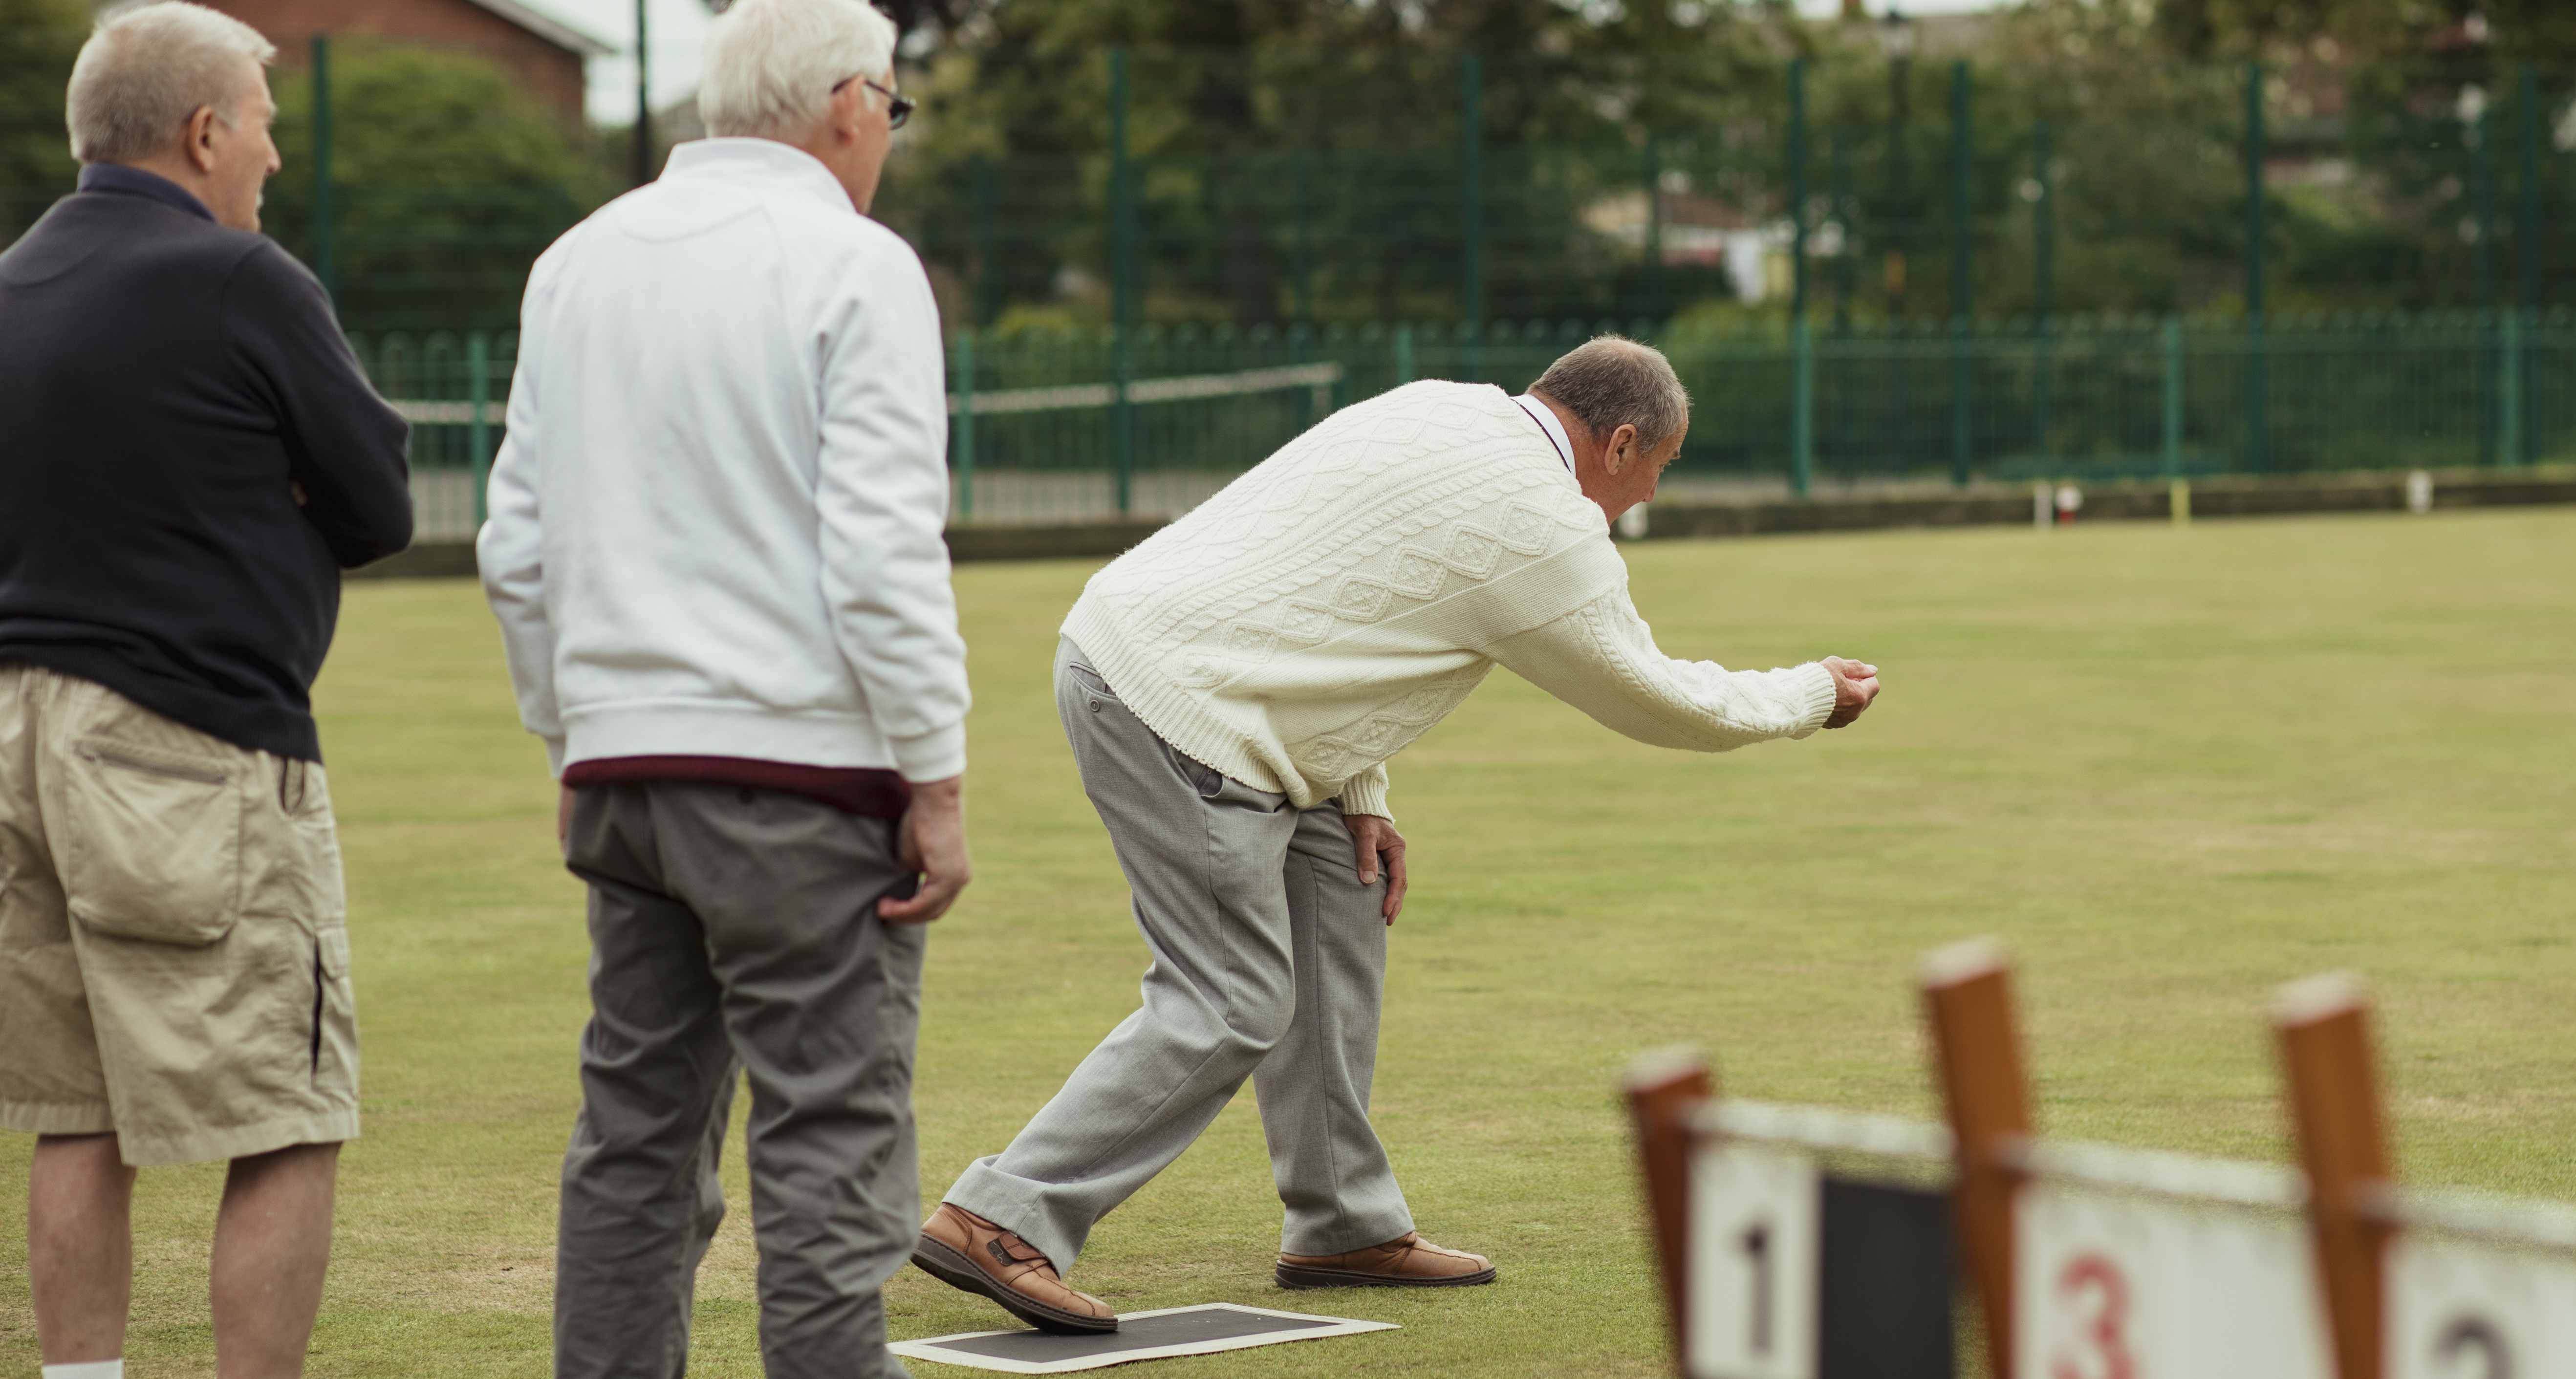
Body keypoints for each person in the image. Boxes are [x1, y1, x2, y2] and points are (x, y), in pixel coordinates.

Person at [914, 336, 1882, 1331]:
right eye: (1656, 475)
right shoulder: (1548, 525)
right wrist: (1811, 694)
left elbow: (1330, 590)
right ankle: (1001, 1216)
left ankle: (1341, 1223)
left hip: (1161, 659)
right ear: (1622, 441)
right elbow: (1659, 698)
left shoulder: (1440, 405)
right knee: (1232, 996)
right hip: (1183, 703)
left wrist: (1360, 787)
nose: (1644, 502)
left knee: (1344, 882)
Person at [473, 0, 967, 1371]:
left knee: (634, 1134)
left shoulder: (575, 260)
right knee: (829, 1136)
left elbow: (516, 542)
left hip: (624, 769)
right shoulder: (855, 264)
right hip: (803, 775)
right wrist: (936, 770)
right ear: (852, 102)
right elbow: (879, 549)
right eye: (892, 106)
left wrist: (573, 730)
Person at [0, 4, 414, 1377]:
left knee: (77, 1105)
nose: (273, 161)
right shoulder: (244, 284)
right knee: (289, 1112)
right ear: (202, 131)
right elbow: (378, 501)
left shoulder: (11, 284)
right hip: (191, 739)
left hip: (18, 733)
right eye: (265, 126)